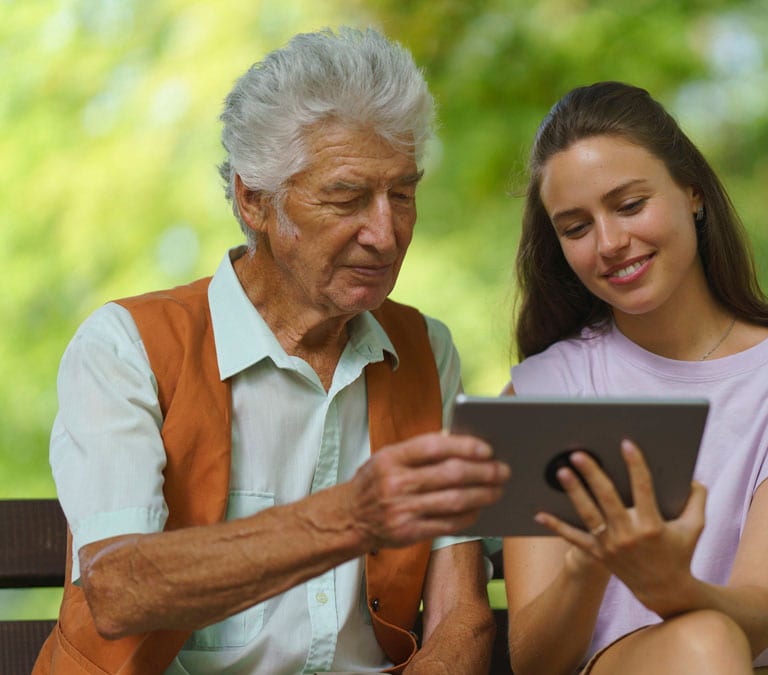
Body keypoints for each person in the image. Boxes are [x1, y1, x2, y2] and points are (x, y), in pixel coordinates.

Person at [37, 27, 509, 674]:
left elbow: (461, 618)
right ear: (253, 200)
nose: (386, 232)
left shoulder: (426, 350)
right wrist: (348, 515)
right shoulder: (126, 347)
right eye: (346, 197)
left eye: (403, 193)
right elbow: (118, 589)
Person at [502, 81, 768, 675]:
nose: (609, 243)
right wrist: (589, 564)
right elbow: (533, 662)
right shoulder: (545, 392)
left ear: (694, 193)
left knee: (710, 642)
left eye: (630, 205)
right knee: (704, 646)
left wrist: (668, 582)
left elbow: (757, 618)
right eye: (576, 227)